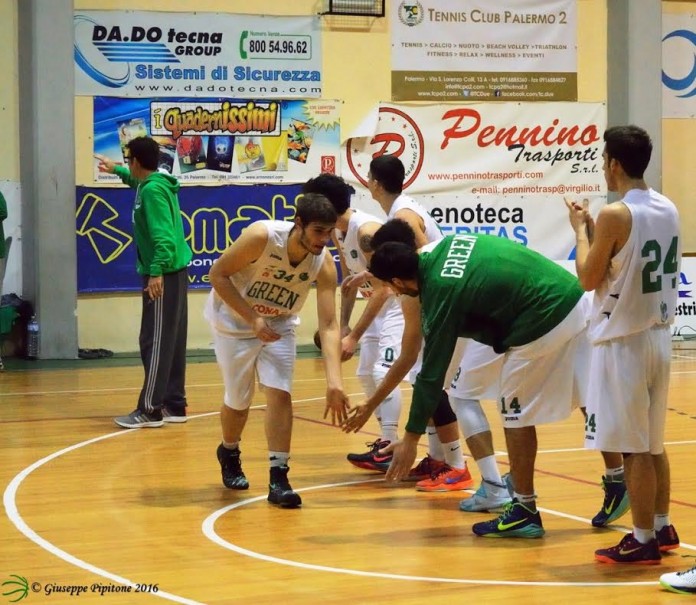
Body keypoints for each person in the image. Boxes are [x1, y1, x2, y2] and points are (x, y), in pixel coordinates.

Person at [364, 221, 589, 538]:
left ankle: (523, 509)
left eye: (392, 288)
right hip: (571, 294)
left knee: (514, 413)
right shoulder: (444, 248)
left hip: (545, 313)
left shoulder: (440, 289)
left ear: (398, 281)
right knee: (586, 392)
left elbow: (430, 373)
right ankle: (617, 476)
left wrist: (412, 437)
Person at [567, 125, 681, 564]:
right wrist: (599, 231)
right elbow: (626, 254)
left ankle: (642, 539)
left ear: (613, 163)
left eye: (603, 160)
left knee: (633, 448)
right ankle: (662, 525)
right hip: (658, 337)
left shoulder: (615, 213)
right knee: (652, 444)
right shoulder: (667, 206)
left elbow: (587, 278)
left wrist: (580, 230)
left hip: (624, 343)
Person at [206, 192, 350, 508]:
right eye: (318, 231)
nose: (325, 240)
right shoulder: (262, 236)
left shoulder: (323, 262)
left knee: (280, 392)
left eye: (330, 232)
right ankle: (229, 450)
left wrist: (334, 380)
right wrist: (253, 318)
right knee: (238, 400)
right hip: (234, 322)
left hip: (280, 324)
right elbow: (217, 275)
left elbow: (328, 324)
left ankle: (279, 476)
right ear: (298, 223)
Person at [301, 174, 406, 473]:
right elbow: (349, 282)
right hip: (378, 306)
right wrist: (344, 326)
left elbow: (386, 287)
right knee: (365, 372)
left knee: (381, 371)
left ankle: (389, 445)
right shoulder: (337, 231)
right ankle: (386, 442)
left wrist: (354, 336)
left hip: (398, 302)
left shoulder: (366, 232)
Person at [95, 138, 192, 428]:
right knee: (171, 341)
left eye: (127, 160)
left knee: (156, 341)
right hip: (175, 271)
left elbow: (162, 236)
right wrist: (115, 170)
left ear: (136, 161)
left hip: (165, 273)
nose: (127, 164)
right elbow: (136, 183)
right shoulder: (155, 183)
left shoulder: (152, 192)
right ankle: (174, 404)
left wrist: (155, 272)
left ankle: (150, 409)